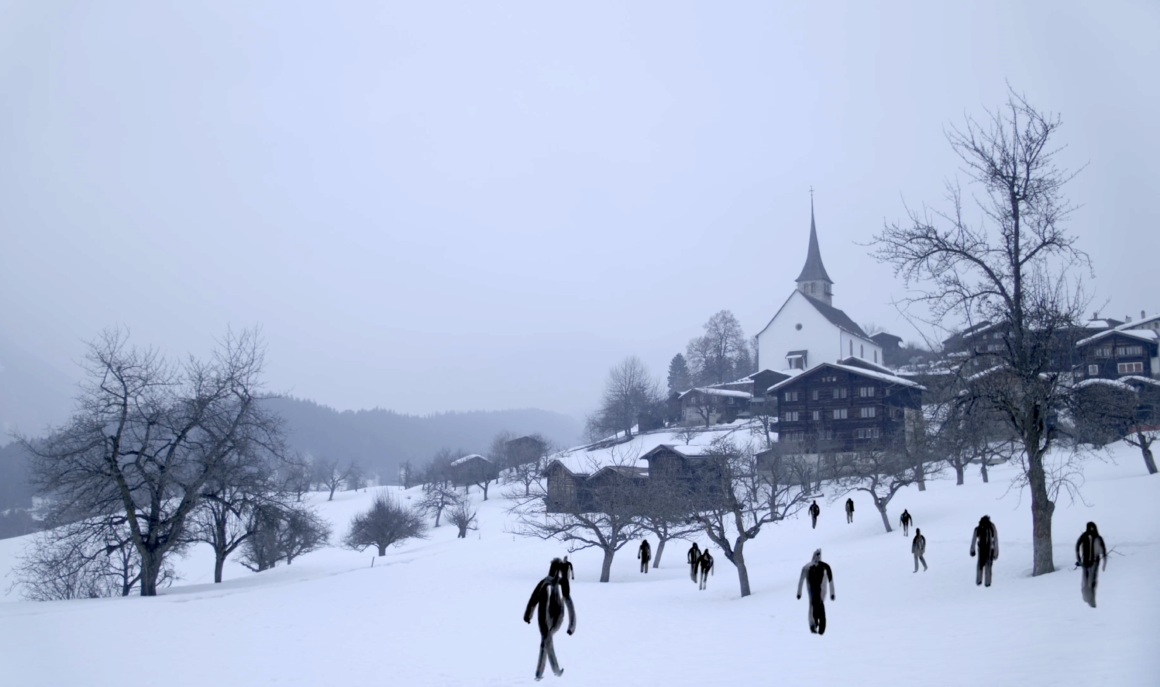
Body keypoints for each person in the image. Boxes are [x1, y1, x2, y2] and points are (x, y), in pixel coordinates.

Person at [523, 558, 577, 681]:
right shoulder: (543, 583)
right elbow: (534, 599)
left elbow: (569, 602)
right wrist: (528, 614)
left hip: (558, 617)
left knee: (546, 641)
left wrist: (571, 625)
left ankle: (541, 673)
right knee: (546, 640)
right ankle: (551, 671)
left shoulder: (563, 583)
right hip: (543, 617)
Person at [797, 549, 835, 634]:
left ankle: (820, 626)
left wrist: (832, 593)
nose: (817, 558)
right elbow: (801, 579)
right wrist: (799, 593)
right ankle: (814, 625)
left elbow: (830, 579)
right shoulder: (808, 567)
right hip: (812, 590)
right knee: (813, 606)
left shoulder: (824, 566)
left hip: (821, 590)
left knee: (819, 606)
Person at [1075, 522, 1107, 608]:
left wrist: (1104, 562)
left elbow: (1103, 550)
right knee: (1086, 581)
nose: (1091, 529)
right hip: (1086, 562)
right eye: (1090, 527)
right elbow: (1077, 546)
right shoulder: (1084, 536)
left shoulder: (1098, 537)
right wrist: (1079, 559)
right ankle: (1087, 597)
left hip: (1095, 562)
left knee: (1092, 581)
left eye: (1093, 527)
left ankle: (1091, 599)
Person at [969, 515, 999, 587]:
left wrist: (972, 550)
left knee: (980, 565)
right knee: (988, 565)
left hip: (982, 549)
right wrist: (995, 552)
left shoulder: (979, 528)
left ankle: (979, 581)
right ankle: (987, 583)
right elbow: (995, 540)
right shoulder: (991, 527)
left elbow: (974, 539)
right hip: (988, 549)